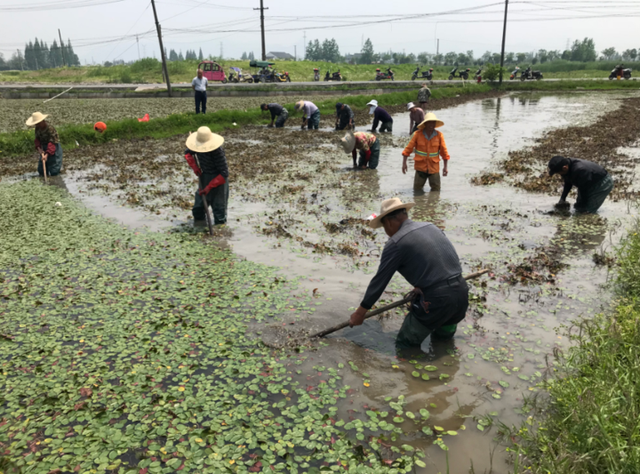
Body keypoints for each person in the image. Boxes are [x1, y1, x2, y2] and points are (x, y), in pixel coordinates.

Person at [349, 198, 469, 352]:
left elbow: (379, 281)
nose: (386, 232)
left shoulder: (396, 243)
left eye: (384, 226)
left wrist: (360, 313)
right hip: (461, 293)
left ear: (389, 222)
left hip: (438, 300)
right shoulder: (431, 227)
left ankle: (414, 375)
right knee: (443, 343)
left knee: (405, 345)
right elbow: (444, 260)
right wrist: (423, 284)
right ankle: (445, 371)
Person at [183, 126, 229, 225]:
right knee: (198, 209)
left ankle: (220, 236)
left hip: (219, 180)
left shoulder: (217, 151)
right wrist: (195, 167)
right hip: (205, 177)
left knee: (219, 213)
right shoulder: (196, 146)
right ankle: (200, 227)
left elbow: (224, 173)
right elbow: (187, 153)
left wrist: (209, 187)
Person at [548, 156, 614, 214]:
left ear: (565, 167)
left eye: (559, 172)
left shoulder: (580, 170)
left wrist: (584, 207)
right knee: (578, 207)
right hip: (587, 182)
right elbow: (568, 182)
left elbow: (584, 190)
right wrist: (562, 199)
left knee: (587, 211)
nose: (560, 174)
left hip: (602, 183)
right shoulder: (567, 165)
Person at [402, 113, 450, 192]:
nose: (431, 125)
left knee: (436, 191)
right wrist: (404, 163)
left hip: (434, 168)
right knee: (417, 190)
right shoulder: (417, 135)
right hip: (420, 168)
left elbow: (444, 152)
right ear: (425, 123)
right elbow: (407, 149)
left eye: (433, 122)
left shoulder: (439, 136)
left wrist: (445, 167)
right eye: (429, 122)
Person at [25, 112, 63, 176]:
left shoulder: (50, 129)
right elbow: (37, 139)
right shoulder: (37, 128)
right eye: (36, 124)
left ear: (43, 121)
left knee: (54, 171)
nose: (37, 125)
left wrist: (47, 155)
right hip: (44, 147)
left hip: (53, 148)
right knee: (41, 170)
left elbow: (52, 143)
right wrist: (39, 149)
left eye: (38, 123)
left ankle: (55, 182)